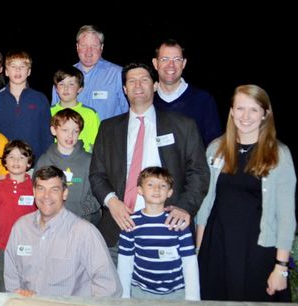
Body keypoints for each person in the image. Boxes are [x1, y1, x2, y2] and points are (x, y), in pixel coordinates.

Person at [89, 62, 209, 262]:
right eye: (132, 81)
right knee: (114, 292)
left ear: (154, 86)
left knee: (161, 291)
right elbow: (97, 175)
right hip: (118, 227)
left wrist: (184, 207)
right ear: (125, 90)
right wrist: (112, 202)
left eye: (144, 80)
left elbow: (199, 172)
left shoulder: (183, 126)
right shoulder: (108, 128)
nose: (138, 85)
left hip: (167, 227)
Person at [196, 85, 295, 302]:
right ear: (231, 111)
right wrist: (199, 252)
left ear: (265, 114)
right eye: (240, 109)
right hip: (217, 249)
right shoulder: (216, 148)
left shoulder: (279, 154)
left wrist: (281, 268)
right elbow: (206, 205)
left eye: (254, 110)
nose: (246, 116)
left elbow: (287, 217)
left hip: (258, 251)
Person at [5, 166, 120, 297]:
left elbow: (109, 287)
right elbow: (11, 278)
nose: (46, 196)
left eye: (54, 190)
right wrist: (17, 296)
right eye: (41, 188)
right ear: (34, 192)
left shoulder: (84, 233)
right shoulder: (21, 228)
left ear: (64, 193)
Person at [118, 167, 199, 300]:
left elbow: (189, 263)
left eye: (162, 185)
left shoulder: (178, 222)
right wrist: (125, 297)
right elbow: (125, 262)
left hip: (175, 294)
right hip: (140, 293)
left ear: (170, 192)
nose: (156, 189)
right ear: (140, 190)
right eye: (150, 184)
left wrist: (193, 299)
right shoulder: (131, 223)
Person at [0, 140, 37, 292]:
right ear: (5, 162)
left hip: (28, 245)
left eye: (21, 157)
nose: (16, 161)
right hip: (2, 246)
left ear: (28, 163)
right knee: (5, 286)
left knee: (28, 285)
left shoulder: (34, 187)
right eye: (12, 157)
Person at [35, 109, 101, 224]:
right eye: (65, 130)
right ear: (54, 130)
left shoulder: (90, 160)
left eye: (75, 131)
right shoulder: (44, 160)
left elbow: (99, 192)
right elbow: (37, 191)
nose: (70, 135)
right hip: (51, 222)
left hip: (82, 223)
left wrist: (83, 209)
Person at [152, 39, 222, 146]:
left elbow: (214, 146)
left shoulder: (203, 100)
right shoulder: (148, 102)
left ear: (184, 63)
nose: (171, 65)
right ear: (155, 63)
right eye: (165, 59)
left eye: (177, 59)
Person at [52, 25, 128, 121]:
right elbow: (55, 114)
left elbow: (127, 114)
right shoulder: (63, 76)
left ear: (101, 47)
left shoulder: (118, 74)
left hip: (107, 135)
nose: (89, 52)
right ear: (77, 47)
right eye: (84, 46)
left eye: (94, 46)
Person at [0, 50, 52, 158]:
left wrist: (43, 163)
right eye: (13, 66)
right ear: (6, 71)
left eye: (22, 66)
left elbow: (47, 136)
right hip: (3, 166)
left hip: (34, 165)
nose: (17, 70)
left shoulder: (40, 99)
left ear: (29, 71)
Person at [50, 66, 101, 152]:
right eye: (61, 84)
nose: (66, 88)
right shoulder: (48, 112)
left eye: (71, 84)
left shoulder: (90, 114)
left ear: (80, 89)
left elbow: (96, 144)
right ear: (56, 89)